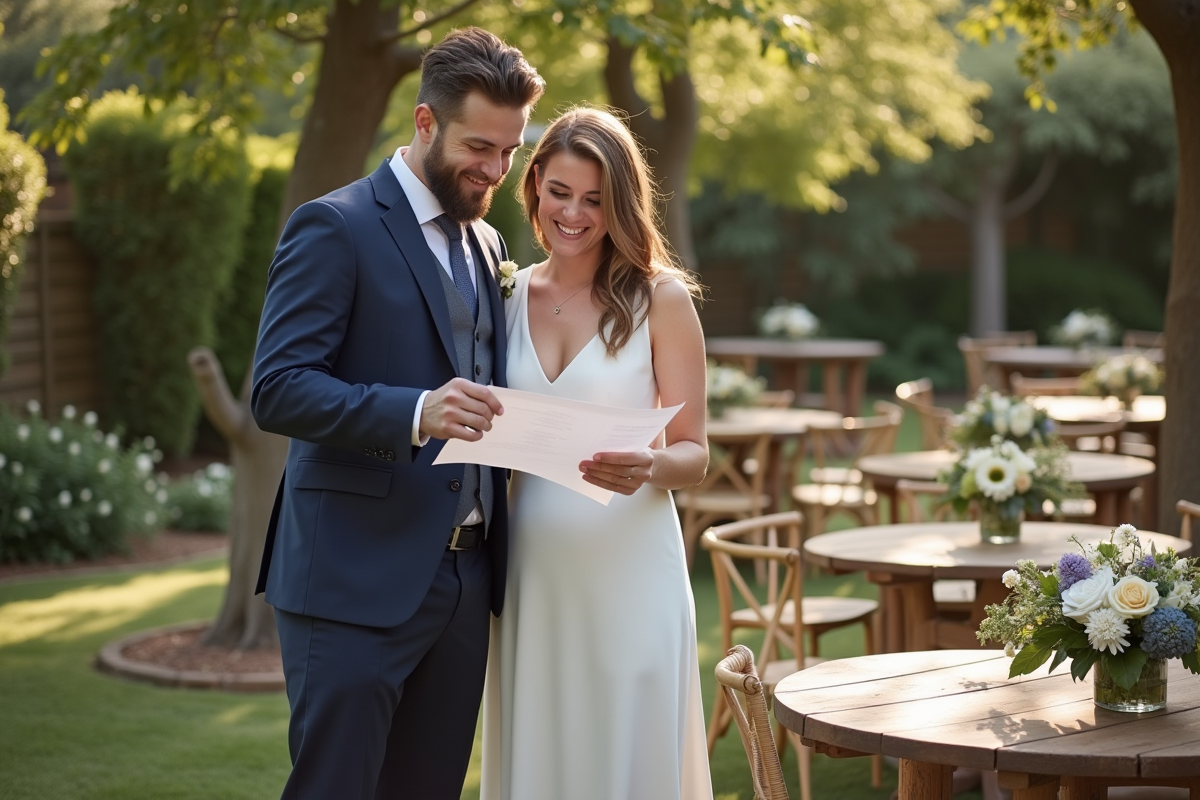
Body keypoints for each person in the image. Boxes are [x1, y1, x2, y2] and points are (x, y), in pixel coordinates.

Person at [249, 28, 544, 800]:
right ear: (424, 122)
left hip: (464, 580)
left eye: (510, 152)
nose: (496, 170)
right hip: (350, 578)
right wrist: (416, 411)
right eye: (480, 147)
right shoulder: (335, 226)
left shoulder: (486, 243)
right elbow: (276, 387)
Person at [480, 107, 713, 800]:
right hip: (531, 572)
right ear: (534, 189)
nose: (574, 214)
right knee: (542, 750)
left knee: (625, 754)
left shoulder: (660, 299)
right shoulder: (504, 293)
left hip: (630, 568)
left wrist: (652, 465)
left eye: (594, 200)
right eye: (559, 193)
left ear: (620, 205)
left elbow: (695, 452)